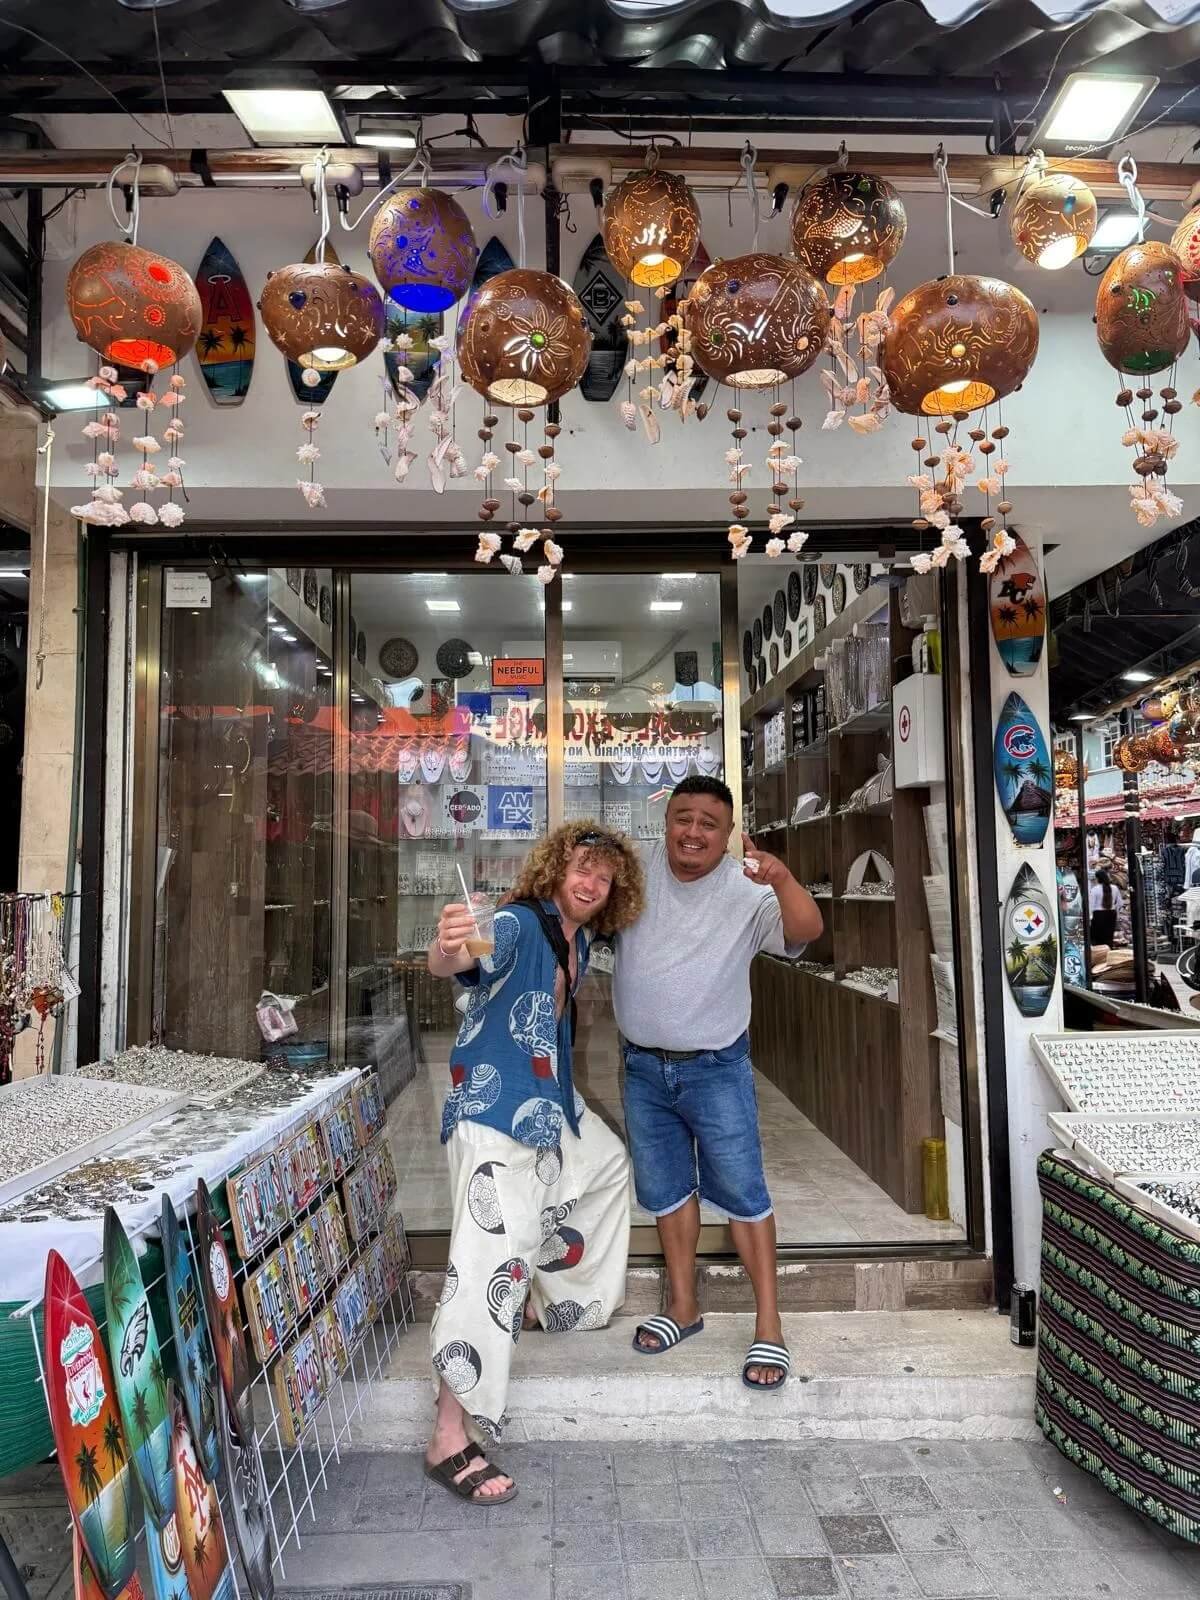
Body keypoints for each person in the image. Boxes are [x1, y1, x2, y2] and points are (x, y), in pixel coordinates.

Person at [424, 821, 645, 1504]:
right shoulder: (521, 923)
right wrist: (446, 941)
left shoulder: (578, 939)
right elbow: (457, 962)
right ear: (554, 871)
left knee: (606, 1167)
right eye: (581, 868)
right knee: (489, 1256)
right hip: (495, 1109)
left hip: (544, 1101)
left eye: (603, 877)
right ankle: (449, 1431)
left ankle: (550, 1300)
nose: (590, 882)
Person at [613, 776, 823, 1392]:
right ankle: (684, 1306)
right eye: (684, 818)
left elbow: (807, 932)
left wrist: (782, 879)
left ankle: (769, 1324)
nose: (693, 832)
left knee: (742, 1192)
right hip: (643, 1068)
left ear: (728, 834)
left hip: (716, 1068)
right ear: (666, 822)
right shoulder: (635, 873)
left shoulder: (749, 888)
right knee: (667, 1191)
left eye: (709, 823)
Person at [1089, 866, 1124, 948]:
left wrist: (1090, 919)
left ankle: (1100, 955)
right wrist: (1116, 912)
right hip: (1111, 914)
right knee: (1108, 937)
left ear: (1097, 879)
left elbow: (1091, 905)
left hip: (1098, 915)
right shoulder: (1114, 888)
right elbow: (1120, 903)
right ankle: (1109, 953)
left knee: (1098, 938)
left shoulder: (1095, 889)